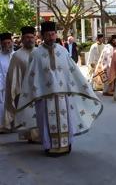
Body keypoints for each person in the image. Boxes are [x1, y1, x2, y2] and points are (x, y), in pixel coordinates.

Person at [14, 21, 103, 156]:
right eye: (48, 35)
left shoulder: (62, 51)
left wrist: (83, 87)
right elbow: (31, 76)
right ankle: (50, 146)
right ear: (42, 36)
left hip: (62, 96)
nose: (51, 37)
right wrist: (31, 93)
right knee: (45, 122)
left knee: (65, 119)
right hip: (44, 96)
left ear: (56, 35)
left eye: (53, 34)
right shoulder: (36, 54)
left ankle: (66, 145)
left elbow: (73, 71)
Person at [3, 26, 39, 141]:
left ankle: (39, 135)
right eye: (27, 37)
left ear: (35, 38)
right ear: (22, 39)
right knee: (28, 113)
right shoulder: (17, 55)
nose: (30, 39)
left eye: (31, 37)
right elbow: (13, 76)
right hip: (25, 90)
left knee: (39, 113)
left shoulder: (39, 52)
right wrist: (17, 91)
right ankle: (31, 136)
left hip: (40, 88)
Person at [0, 32, 14, 133]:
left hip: (15, 86)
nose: (7, 46)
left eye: (9, 43)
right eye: (4, 44)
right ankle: (3, 125)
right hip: (2, 87)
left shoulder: (16, 55)